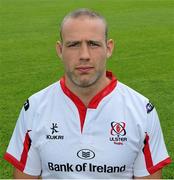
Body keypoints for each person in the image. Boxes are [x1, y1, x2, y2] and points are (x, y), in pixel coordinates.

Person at [4, 8, 172, 179]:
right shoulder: (34, 108)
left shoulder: (142, 111)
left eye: (93, 44)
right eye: (73, 44)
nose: (84, 55)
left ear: (108, 48)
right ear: (60, 50)